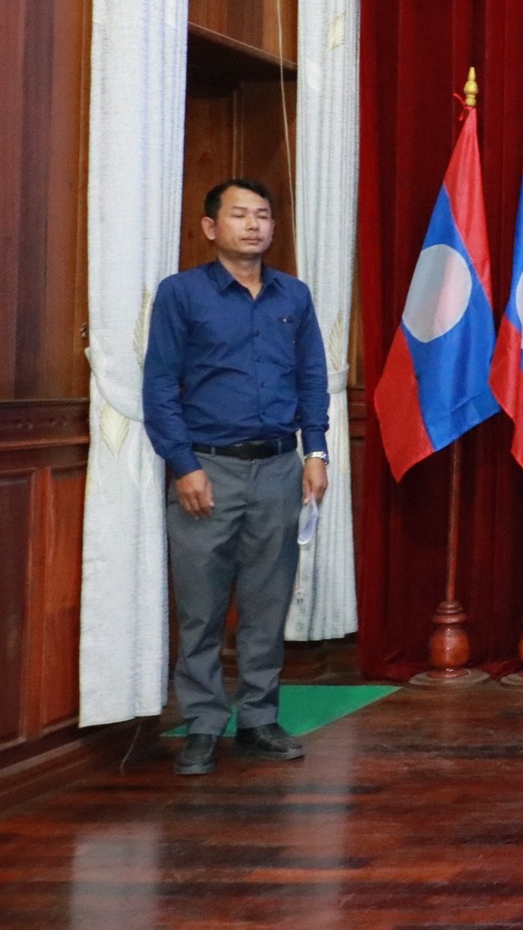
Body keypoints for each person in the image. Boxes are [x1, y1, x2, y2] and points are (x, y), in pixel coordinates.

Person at [142, 179, 330, 777]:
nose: (253, 225)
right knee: (200, 607)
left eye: (263, 216)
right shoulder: (181, 294)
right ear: (210, 227)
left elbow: (312, 377)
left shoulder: (293, 295)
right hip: (208, 469)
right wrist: (184, 465)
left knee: (266, 604)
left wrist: (316, 451)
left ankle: (257, 720)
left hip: (279, 467)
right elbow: (159, 386)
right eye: (240, 215)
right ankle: (202, 724)